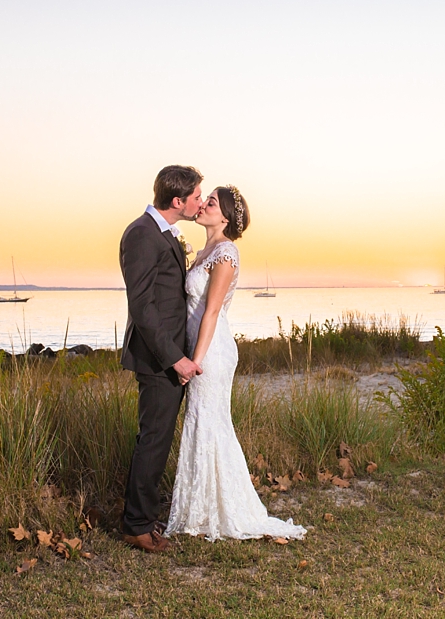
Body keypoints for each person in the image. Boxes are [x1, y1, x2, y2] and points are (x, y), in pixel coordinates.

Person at [165, 185, 306, 541]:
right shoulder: (203, 251)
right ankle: (197, 510)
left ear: (225, 216)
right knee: (201, 424)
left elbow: (212, 312)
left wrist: (194, 361)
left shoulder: (226, 254)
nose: (202, 205)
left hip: (211, 351)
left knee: (210, 423)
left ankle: (219, 512)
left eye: (210, 202)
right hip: (199, 346)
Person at [118, 165, 204, 553]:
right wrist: (175, 360)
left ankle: (144, 517)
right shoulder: (141, 234)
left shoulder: (163, 232)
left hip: (171, 354)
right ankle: (137, 526)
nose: (200, 202)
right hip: (157, 359)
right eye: (197, 196)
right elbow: (143, 308)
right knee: (152, 440)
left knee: (158, 438)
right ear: (177, 201)